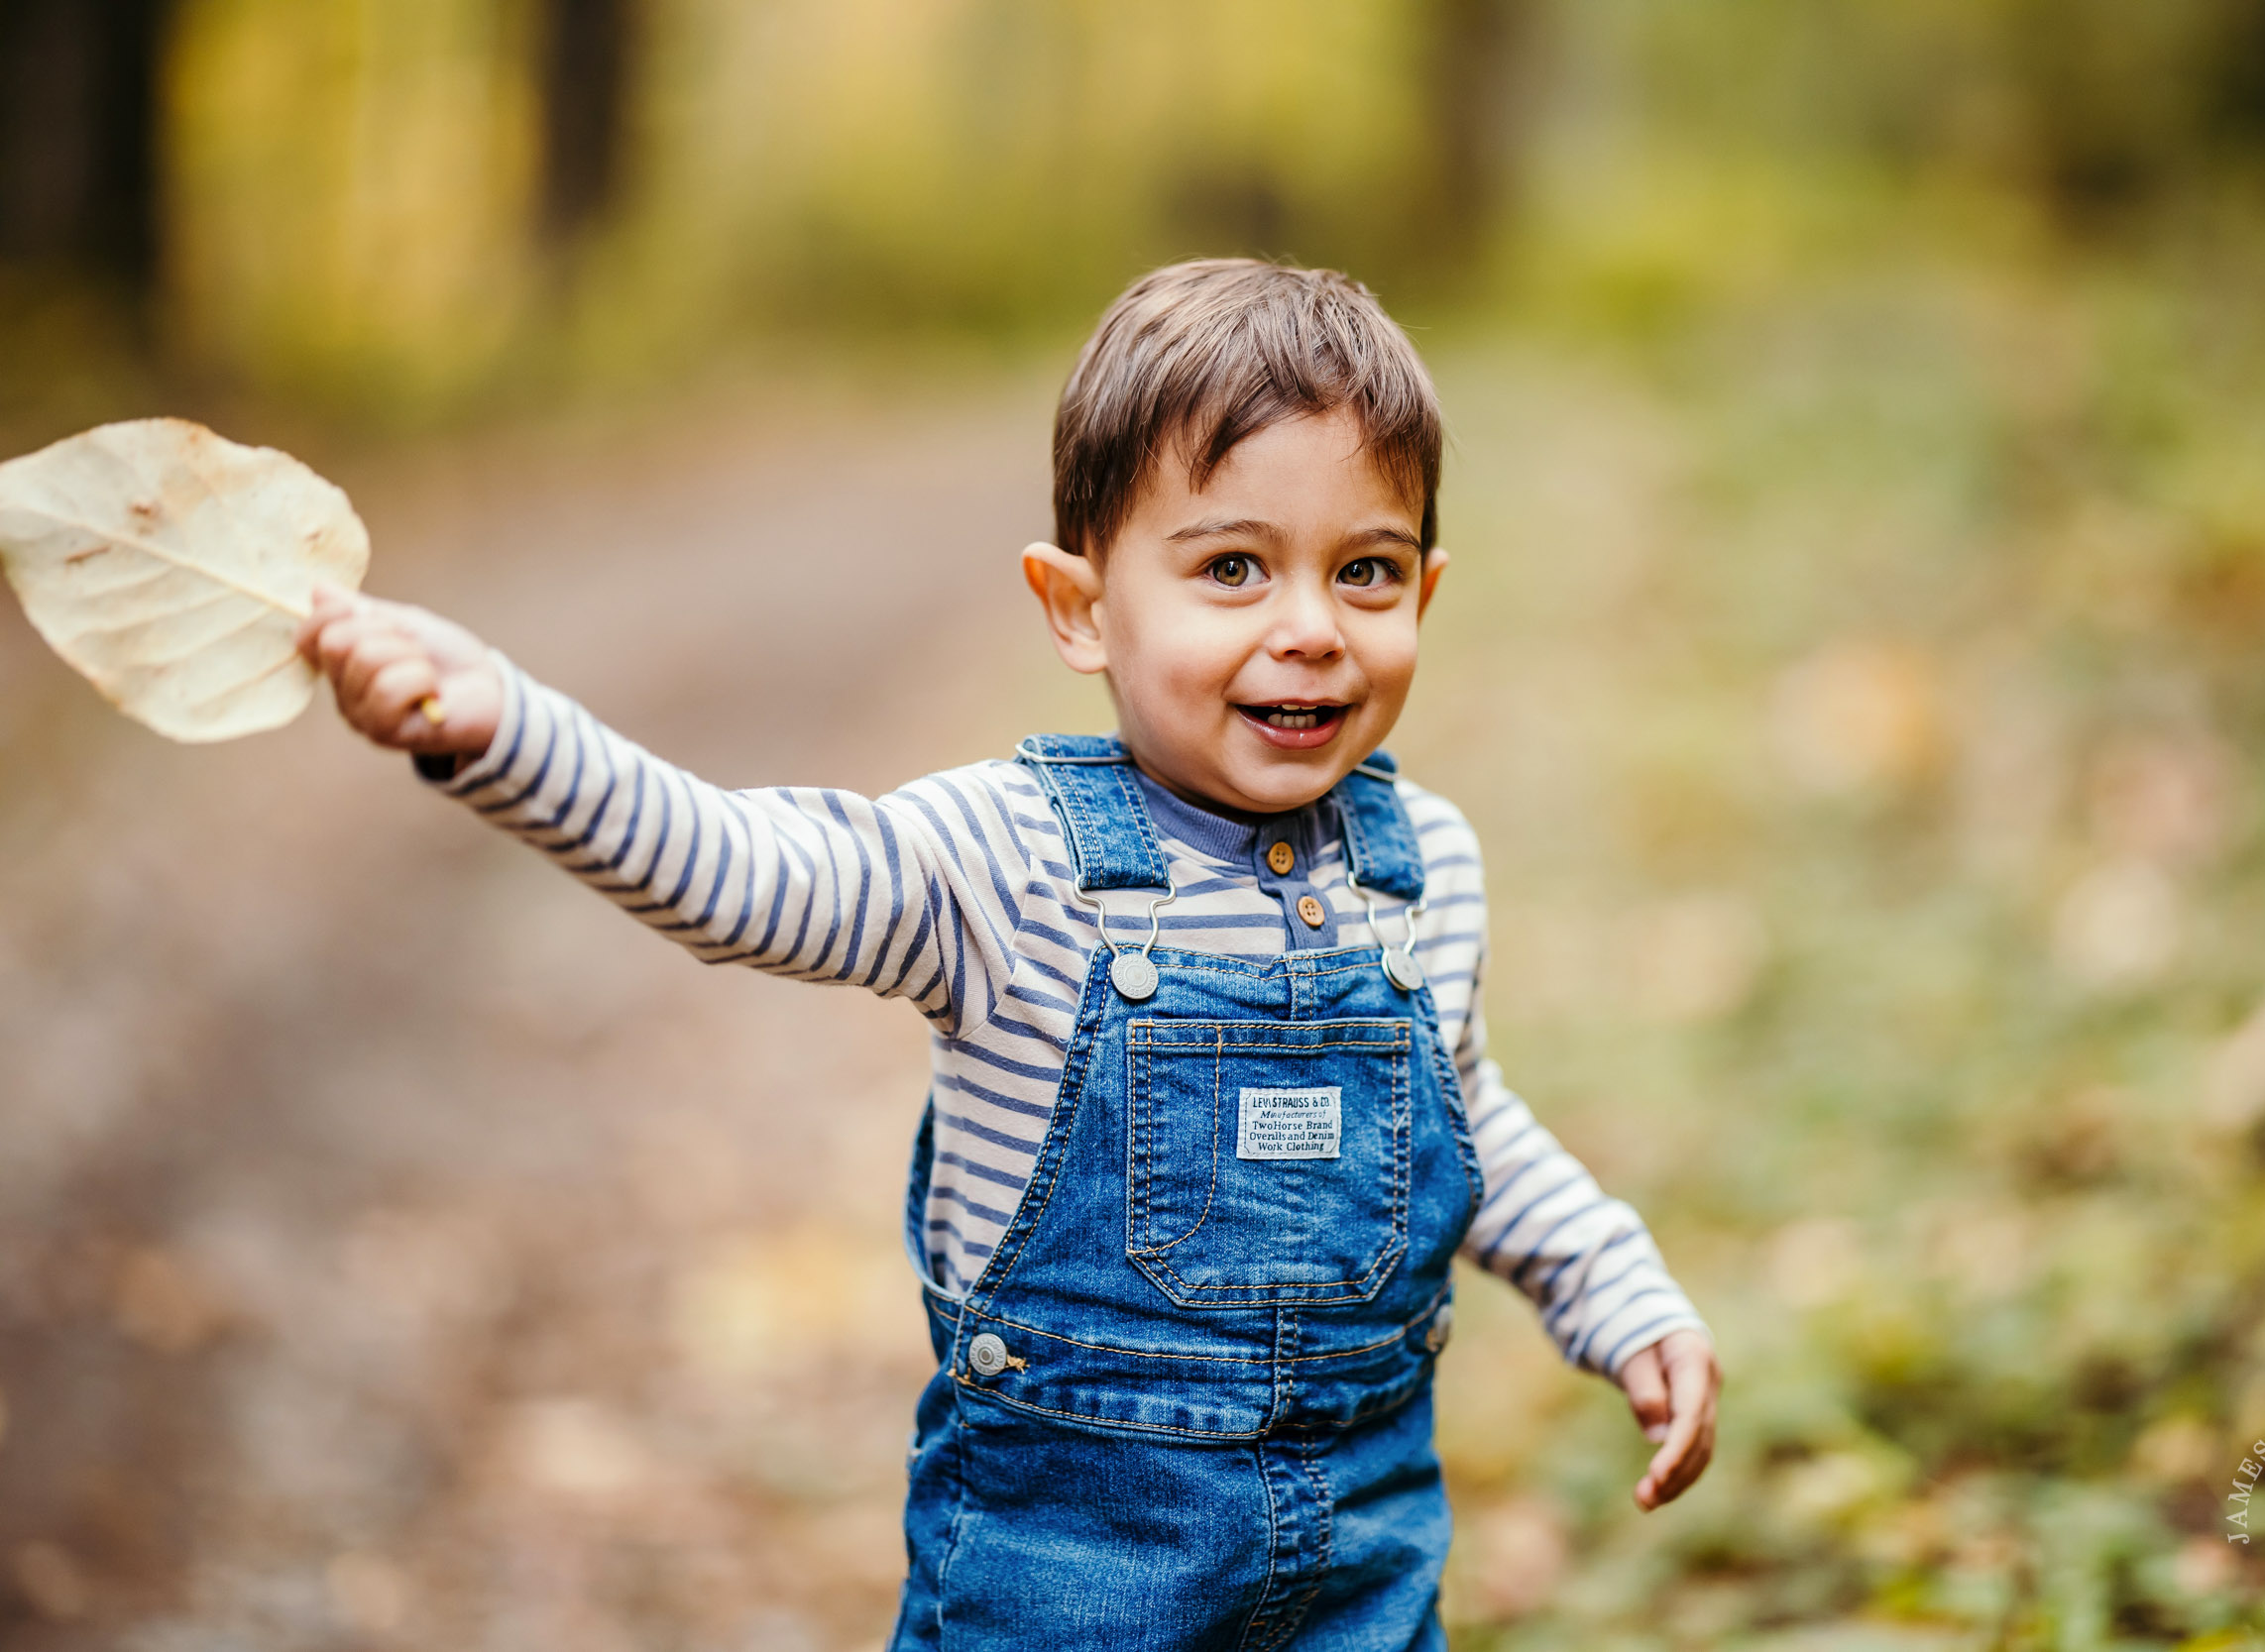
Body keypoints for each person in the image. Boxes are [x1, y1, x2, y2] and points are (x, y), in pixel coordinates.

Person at [296, 258, 1720, 1648]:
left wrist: (1614, 1285)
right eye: (1232, 568)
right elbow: (746, 877)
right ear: (1081, 607)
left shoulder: (1426, 870)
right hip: (1067, 1588)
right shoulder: (1008, 861)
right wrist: (510, 733)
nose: (1310, 630)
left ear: (1426, 592)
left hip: (1365, 1578)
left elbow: (1462, 1122)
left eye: (1366, 572)